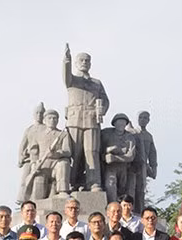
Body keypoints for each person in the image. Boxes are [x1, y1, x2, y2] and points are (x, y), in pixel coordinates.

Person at [63, 44, 109, 192]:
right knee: (75, 153)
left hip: (92, 120)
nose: (84, 63)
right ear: (76, 63)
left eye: (87, 61)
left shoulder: (96, 83)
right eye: (81, 60)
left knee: (92, 152)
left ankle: (94, 183)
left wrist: (102, 109)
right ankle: (72, 182)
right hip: (74, 120)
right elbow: (65, 75)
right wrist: (66, 60)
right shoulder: (72, 80)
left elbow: (105, 100)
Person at [22, 109, 73, 199]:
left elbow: (67, 151)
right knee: (39, 185)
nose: (52, 120)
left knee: (64, 163)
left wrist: (57, 153)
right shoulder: (38, 135)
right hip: (42, 164)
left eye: (55, 118)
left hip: (56, 163)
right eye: (49, 118)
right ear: (45, 120)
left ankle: (63, 191)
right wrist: (34, 164)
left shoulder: (63, 134)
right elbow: (34, 151)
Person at [101, 113, 137, 203]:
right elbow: (99, 149)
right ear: (114, 124)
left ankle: (122, 207)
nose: (121, 125)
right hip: (110, 167)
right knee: (110, 184)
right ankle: (112, 205)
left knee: (122, 188)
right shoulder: (106, 134)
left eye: (123, 123)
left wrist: (115, 157)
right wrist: (108, 150)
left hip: (124, 167)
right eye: (119, 123)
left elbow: (130, 156)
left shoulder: (130, 137)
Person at [17, 103, 47, 201]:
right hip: (29, 159)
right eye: (37, 113)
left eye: (41, 113)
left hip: (41, 159)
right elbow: (23, 144)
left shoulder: (46, 129)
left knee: (39, 181)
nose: (39, 115)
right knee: (25, 179)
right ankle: (23, 200)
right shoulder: (29, 129)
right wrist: (20, 157)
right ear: (34, 115)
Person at [129, 112, 158, 209]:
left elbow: (152, 154)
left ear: (148, 120)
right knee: (131, 189)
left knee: (141, 190)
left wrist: (154, 169)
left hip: (143, 167)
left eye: (145, 118)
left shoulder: (149, 136)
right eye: (140, 117)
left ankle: (140, 211)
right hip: (131, 166)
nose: (142, 119)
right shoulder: (131, 132)